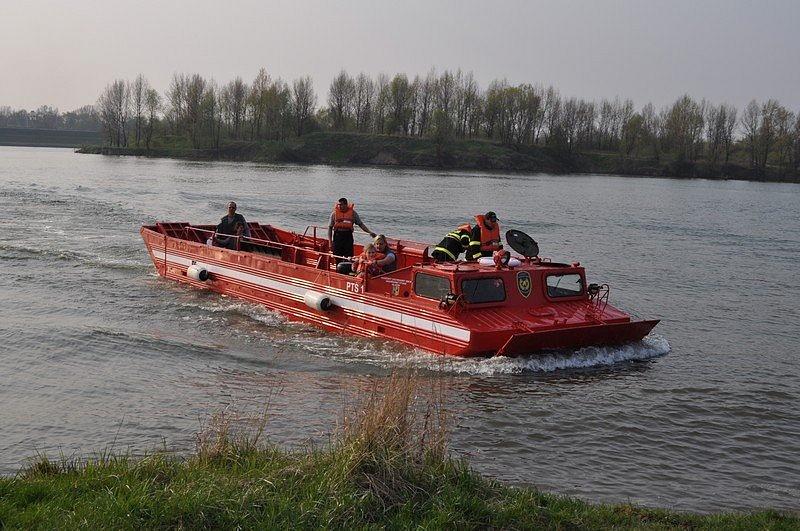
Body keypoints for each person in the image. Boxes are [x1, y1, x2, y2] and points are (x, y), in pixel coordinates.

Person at [328, 197, 375, 262]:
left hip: (348, 236)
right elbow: (330, 228)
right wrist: (330, 242)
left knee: (349, 256)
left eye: (342, 204)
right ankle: (338, 269)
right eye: (339, 205)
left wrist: (369, 232)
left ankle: (347, 269)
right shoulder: (334, 214)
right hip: (337, 236)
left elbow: (360, 224)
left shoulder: (353, 213)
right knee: (337, 255)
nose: (340, 206)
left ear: (346, 204)